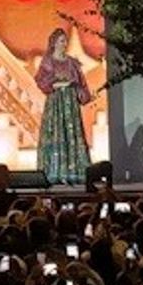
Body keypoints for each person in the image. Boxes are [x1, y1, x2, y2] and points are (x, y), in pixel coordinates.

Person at [35, 28, 93, 187]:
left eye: (65, 41)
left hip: (70, 103)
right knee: (56, 133)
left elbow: (81, 83)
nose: (64, 44)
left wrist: (82, 94)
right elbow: (41, 81)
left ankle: (74, 172)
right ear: (54, 43)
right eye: (61, 41)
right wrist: (60, 84)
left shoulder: (71, 62)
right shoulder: (48, 61)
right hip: (56, 103)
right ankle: (54, 172)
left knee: (71, 134)